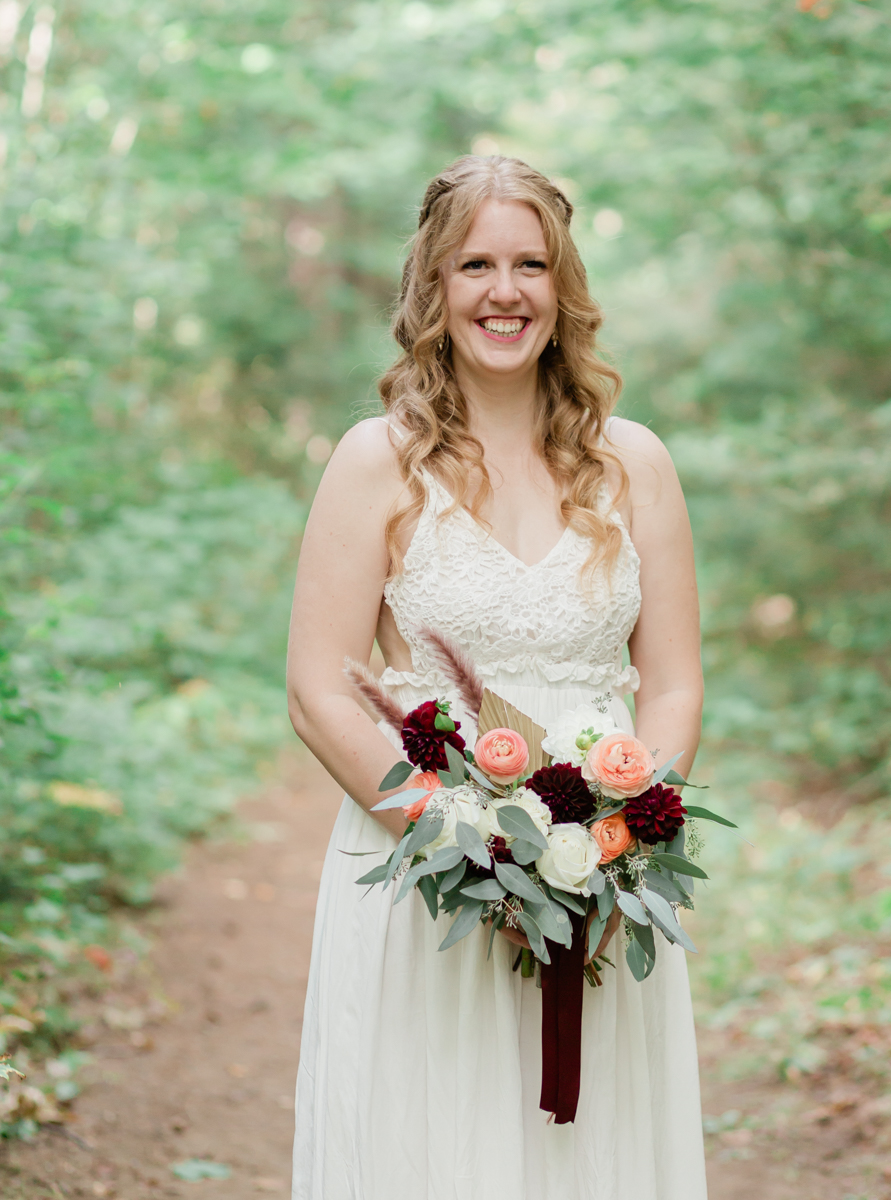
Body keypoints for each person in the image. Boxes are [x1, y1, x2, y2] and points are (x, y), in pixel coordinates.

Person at [286, 155, 707, 1200]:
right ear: (433, 286)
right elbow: (318, 689)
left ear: (563, 288)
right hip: (420, 874)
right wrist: (464, 851)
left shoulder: (636, 464)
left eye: (530, 265)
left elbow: (676, 688)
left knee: (588, 1152)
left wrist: (609, 848)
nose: (505, 292)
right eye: (476, 264)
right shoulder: (372, 461)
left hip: (600, 888)